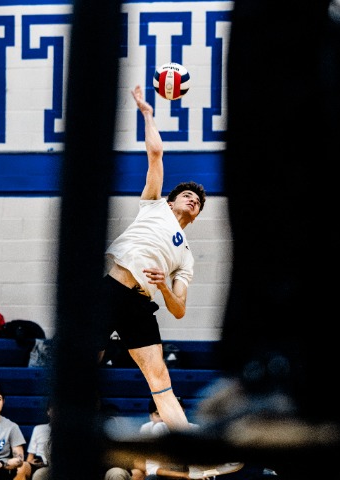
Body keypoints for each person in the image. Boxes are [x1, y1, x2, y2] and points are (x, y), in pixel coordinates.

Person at [101, 84, 206, 434]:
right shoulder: (154, 205)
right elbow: (156, 154)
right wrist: (147, 114)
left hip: (139, 302)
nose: (192, 200)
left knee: (159, 377)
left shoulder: (186, 257)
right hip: (111, 289)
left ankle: (189, 449)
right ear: (171, 201)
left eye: (197, 202)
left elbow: (179, 309)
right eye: (187, 195)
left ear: (196, 215)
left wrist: (163, 287)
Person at [18, 405, 52, 480]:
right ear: (48, 412)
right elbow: (30, 456)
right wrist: (31, 463)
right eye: (53, 410)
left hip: (57, 466)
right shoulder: (39, 429)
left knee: (39, 475)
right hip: (40, 464)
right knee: (23, 467)